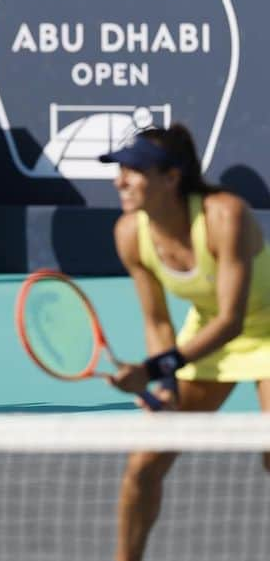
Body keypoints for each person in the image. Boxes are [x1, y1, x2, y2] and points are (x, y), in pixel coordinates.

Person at [100, 125, 270, 561]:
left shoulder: (224, 215)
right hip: (209, 334)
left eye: (133, 170)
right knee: (145, 464)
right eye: (120, 170)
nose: (119, 180)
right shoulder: (129, 234)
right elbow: (157, 321)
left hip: (262, 327)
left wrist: (156, 369)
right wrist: (164, 385)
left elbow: (232, 320)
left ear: (171, 177)